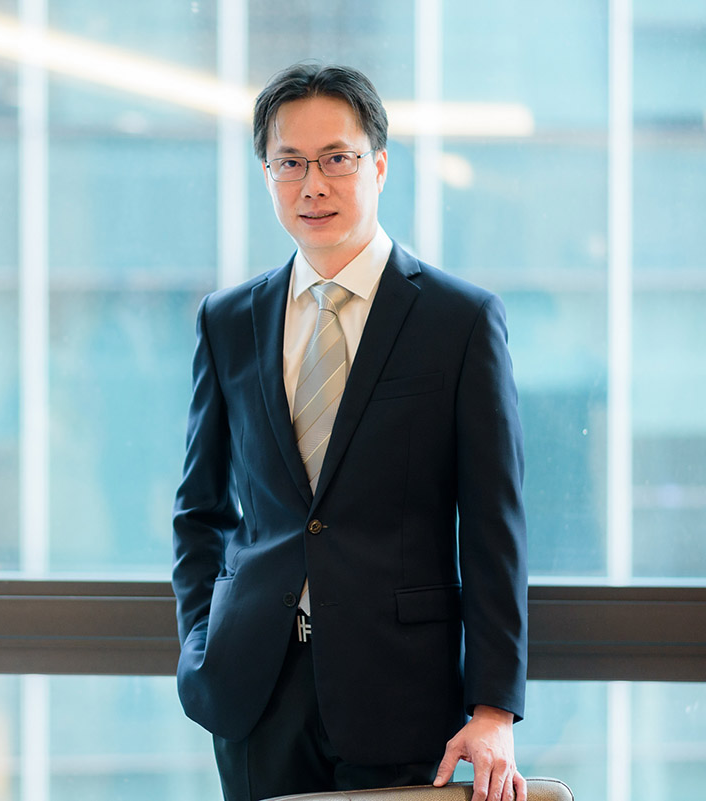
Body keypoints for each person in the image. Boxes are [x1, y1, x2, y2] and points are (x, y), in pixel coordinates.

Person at [171, 63, 529, 801]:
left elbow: (492, 525)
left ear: (380, 165)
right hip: (254, 690)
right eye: (290, 163)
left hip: (400, 694)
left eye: (337, 159)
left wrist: (494, 707)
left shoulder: (459, 321)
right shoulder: (228, 320)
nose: (313, 185)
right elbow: (200, 509)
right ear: (267, 174)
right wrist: (203, 642)